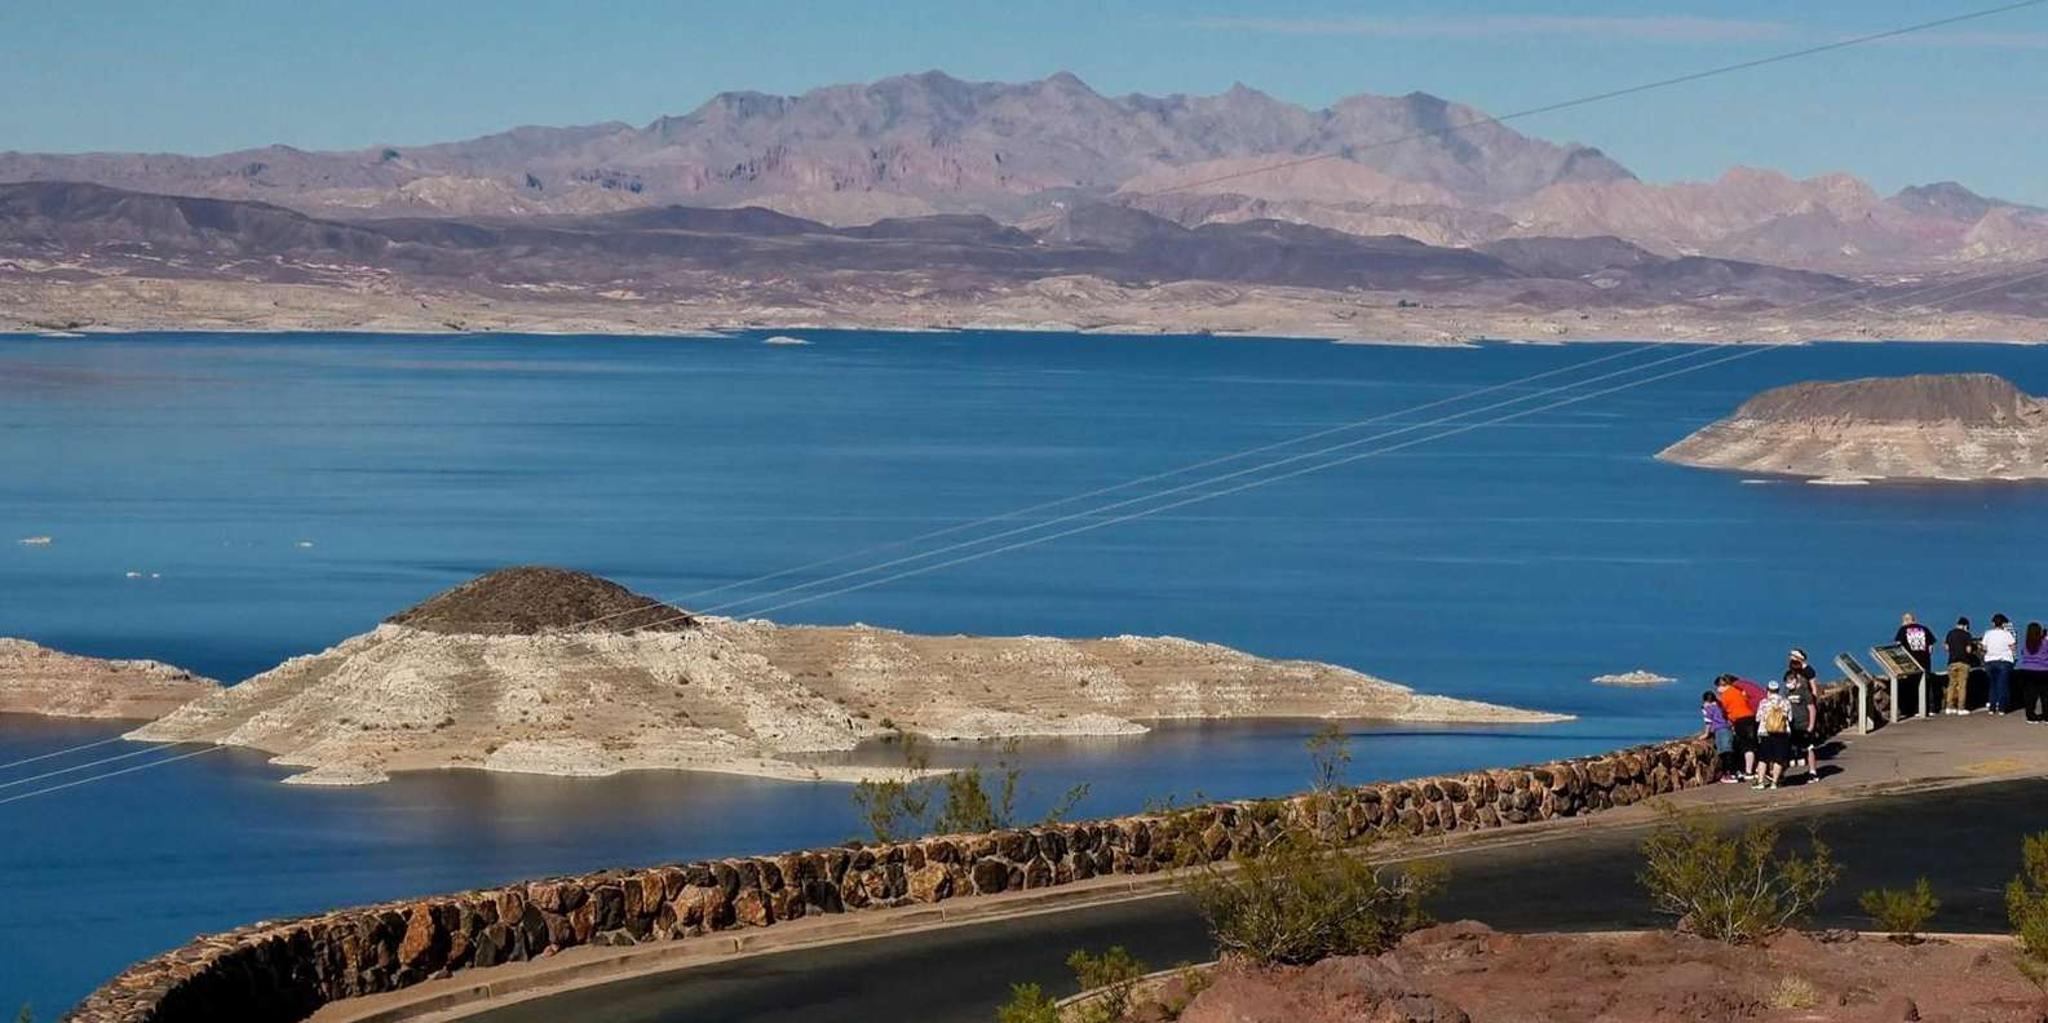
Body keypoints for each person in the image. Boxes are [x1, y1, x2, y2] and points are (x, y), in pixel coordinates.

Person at [1781, 660, 1821, 782]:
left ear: (1796, 680)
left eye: (1791, 681)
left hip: (1804, 723)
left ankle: (1813, 772)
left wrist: (1811, 725)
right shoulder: (1787, 693)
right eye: (1787, 681)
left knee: (1809, 748)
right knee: (1789, 749)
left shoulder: (1804, 692)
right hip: (1792, 725)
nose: (1789, 683)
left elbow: (1812, 708)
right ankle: (1781, 774)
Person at [1754, 680, 1795, 790]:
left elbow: (1758, 718)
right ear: (1778, 690)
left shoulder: (1763, 702)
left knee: (1763, 759)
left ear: (1768, 690)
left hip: (1765, 733)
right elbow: (1790, 718)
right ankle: (1774, 783)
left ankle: (1760, 782)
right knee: (1778, 759)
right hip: (1781, 733)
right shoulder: (1785, 702)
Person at [1715, 675, 1759, 780]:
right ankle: (1752, 770)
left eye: (1718, 687)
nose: (1717, 690)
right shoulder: (1738, 691)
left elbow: (1723, 711)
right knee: (1751, 745)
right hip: (1750, 717)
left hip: (1740, 720)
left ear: (1721, 686)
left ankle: (1747, 771)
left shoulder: (1724, 696)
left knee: (1744, 746)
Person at [1896, 612, 1936, 716]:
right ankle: (1929, 709)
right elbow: (1931, 647)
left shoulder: (1903, 630)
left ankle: (1913, 710)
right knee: (1927, 685)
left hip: (1911, 662)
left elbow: (1898, 645)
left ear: (1905, 620)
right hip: (1925, 661)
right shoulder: (1924, 629)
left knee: (1911, 686)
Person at [1984, 614, 2018, 714]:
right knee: (2003, 685)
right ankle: (2002, 708)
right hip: (2004, 661)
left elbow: (1984, 648)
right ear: (2003, 624)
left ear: (1993, 623)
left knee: (1993, 685)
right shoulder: (2007, 634)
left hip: (1990, 661)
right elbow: (2013, 647)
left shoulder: (1988, 633)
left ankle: (1992, 707)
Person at [1945, 617, 1978, 715]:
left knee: (1951, 685)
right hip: (1963, 662)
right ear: (1965, 626)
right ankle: (1961, 708)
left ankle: (1949, 707)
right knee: (1962, 686)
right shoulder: (1967, 635)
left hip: (1951, 662)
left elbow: (1946, 647)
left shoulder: (1950, 633)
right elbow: (1968, 650)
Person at [1701, 691, 1737, 783]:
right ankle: (1733, 773)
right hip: (1728, 728)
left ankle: (1727, 775)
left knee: (1724, 753)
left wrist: (1706, 734)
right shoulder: (1721, 706)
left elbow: (1708, 722)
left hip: (1720, 731)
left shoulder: (1708, 708)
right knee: (1729, 751)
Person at [2020, 622, 2048, 724]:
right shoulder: (2045, 642)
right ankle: (2046, 716)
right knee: (2045, 696)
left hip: (2027, 671)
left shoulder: (2026, 644)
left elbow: (2023, 653)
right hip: (2044, 671)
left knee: (2030, 695)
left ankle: (2030, 716)